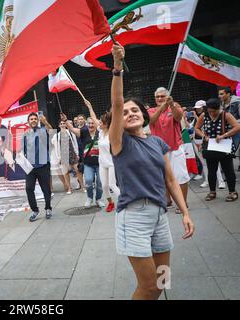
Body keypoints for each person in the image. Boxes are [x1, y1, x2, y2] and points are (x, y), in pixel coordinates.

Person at [110, 43, 194, 300]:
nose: (130, 113)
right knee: (148, 286)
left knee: (163, 279)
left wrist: (186, 213)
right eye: (125, 113)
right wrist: (117, 67)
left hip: (159, 216)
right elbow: (116, 103)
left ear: (144, 115)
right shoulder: (119, 142)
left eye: (135, 109)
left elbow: (170, 179)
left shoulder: (157, 142)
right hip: (133, 217)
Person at [147, 87, 190, 214]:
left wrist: (171, 104)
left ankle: (183, 202)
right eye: (157, 97)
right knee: (162, 177)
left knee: (181, 176)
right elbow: (151, 121)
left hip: (176, 148)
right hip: (158, 150)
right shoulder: (151, 110)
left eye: (162, 96)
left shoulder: (175, 106)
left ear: (167, 97)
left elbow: (178, 118)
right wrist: (162, 107)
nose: (160, 99)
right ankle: (167, 200)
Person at [195, 98, 240, 202]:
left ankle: (232, 192)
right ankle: (212, 192)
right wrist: (204, 136)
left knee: (228, 170)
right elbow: (196, 128)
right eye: (209, 111)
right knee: (211, 171)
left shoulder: (226, 115)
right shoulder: (204, 115)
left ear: (218, 108)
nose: (211, 113)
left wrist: (224, 135)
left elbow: (237, 127)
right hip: (210, 146)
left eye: (213, 111)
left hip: (224, 147)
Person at [66, 105, 104, 208]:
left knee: (100, 183)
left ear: (96, 124)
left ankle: (99, 199)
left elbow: (94, 117)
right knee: (88, 181)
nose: (91, 125)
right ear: (86, 124)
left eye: (93, 123)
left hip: (100, 163)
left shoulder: (101, 132)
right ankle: (90, 198)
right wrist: (66, 121)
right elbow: (73, 129)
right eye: (89, 123)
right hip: (88, 164)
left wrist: (90, 108)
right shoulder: (83, 132)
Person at [21, 113, 53, 222]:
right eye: (31, 119)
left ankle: (48, 208)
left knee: (46, 189)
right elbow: (23, 151)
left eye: (35, 119)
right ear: (28, 121)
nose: (33, 120)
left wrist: (45, 121)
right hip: (30, 167)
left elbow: (51, 132)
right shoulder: (25, 135)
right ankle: (35, 210)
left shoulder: (43, 131)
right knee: (29, 189)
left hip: (43, 165)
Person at [51, 119, 84, 194]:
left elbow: (75, 143)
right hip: (63, 155)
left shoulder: (70, 133)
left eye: (64, 123)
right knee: (65, 173)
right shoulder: (56, 136)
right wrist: (58, 157)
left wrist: (77, 154)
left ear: (66, 125)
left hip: (72, 154)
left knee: (78, 170)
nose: (62, 124)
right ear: (59, 125)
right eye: (61, 123)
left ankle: (83, 187)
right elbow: (54, 145)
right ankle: (69, 188)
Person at [96, 111, 120, 213]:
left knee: (112, 185)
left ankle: (124, 202)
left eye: (101, 122)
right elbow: (93, 118)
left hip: (112, 163)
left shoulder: (112, 133)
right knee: (104, 186)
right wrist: (90, 107)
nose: (99, 124)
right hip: (102, 163)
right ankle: (111, 203)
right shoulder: (101, 132)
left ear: (106, 124)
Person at [219, 86, 240, 170]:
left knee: (237, 149)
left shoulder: (237, 102)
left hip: (237, 130)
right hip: (227, 131)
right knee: (228, 152)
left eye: (221, 94)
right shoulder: (222, 104)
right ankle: (228, 170)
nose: (219, 96)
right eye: (219, 94)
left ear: (228, 94)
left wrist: (234, 123)